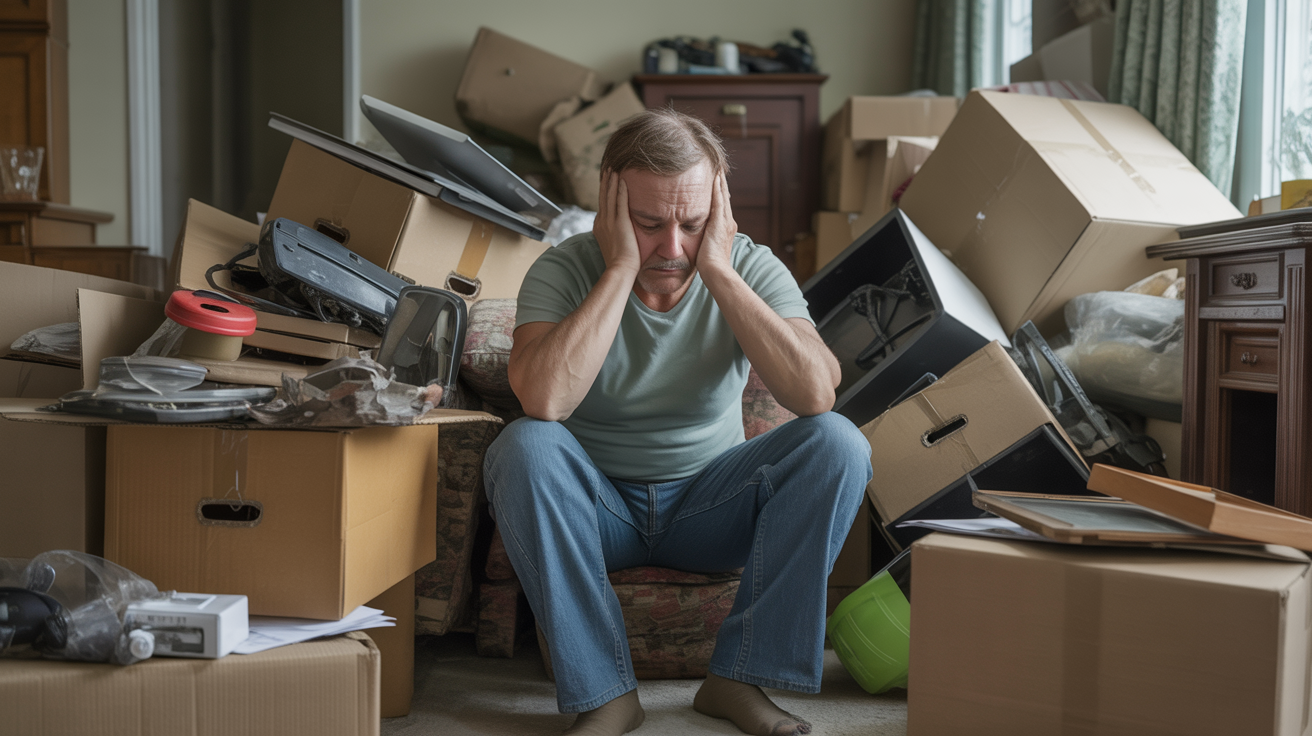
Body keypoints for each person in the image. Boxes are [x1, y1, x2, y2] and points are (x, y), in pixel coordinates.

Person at [483, 109, 872, 736]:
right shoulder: (565, 268)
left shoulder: (747, 264)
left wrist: (718, 270)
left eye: (691, 224)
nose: (671, 248)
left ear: (718, 203)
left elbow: (815, 393)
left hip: (709, 507)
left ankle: (739, 680)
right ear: (610, 201)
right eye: (647, 223)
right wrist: (617, 269)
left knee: (838, 443)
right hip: (598, 508)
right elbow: (545, 401)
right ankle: (605, 694)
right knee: (523, 446)